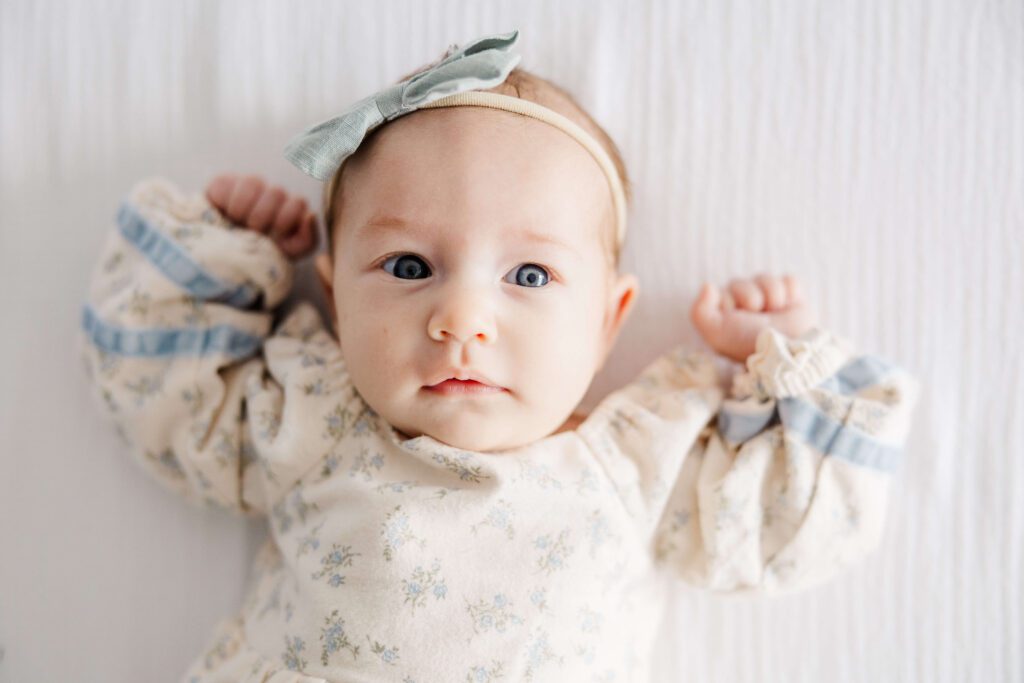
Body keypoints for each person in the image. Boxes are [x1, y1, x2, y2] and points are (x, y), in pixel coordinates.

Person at [78, 29, 919, 682]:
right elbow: (162, 389)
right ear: (333, 299)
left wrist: (785, 366)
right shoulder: (313, 416)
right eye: (409, 267)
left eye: (529, 273)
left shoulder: (636, 463)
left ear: (607, 320)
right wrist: (229, 250)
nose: (461, 319)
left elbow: (786, 529)